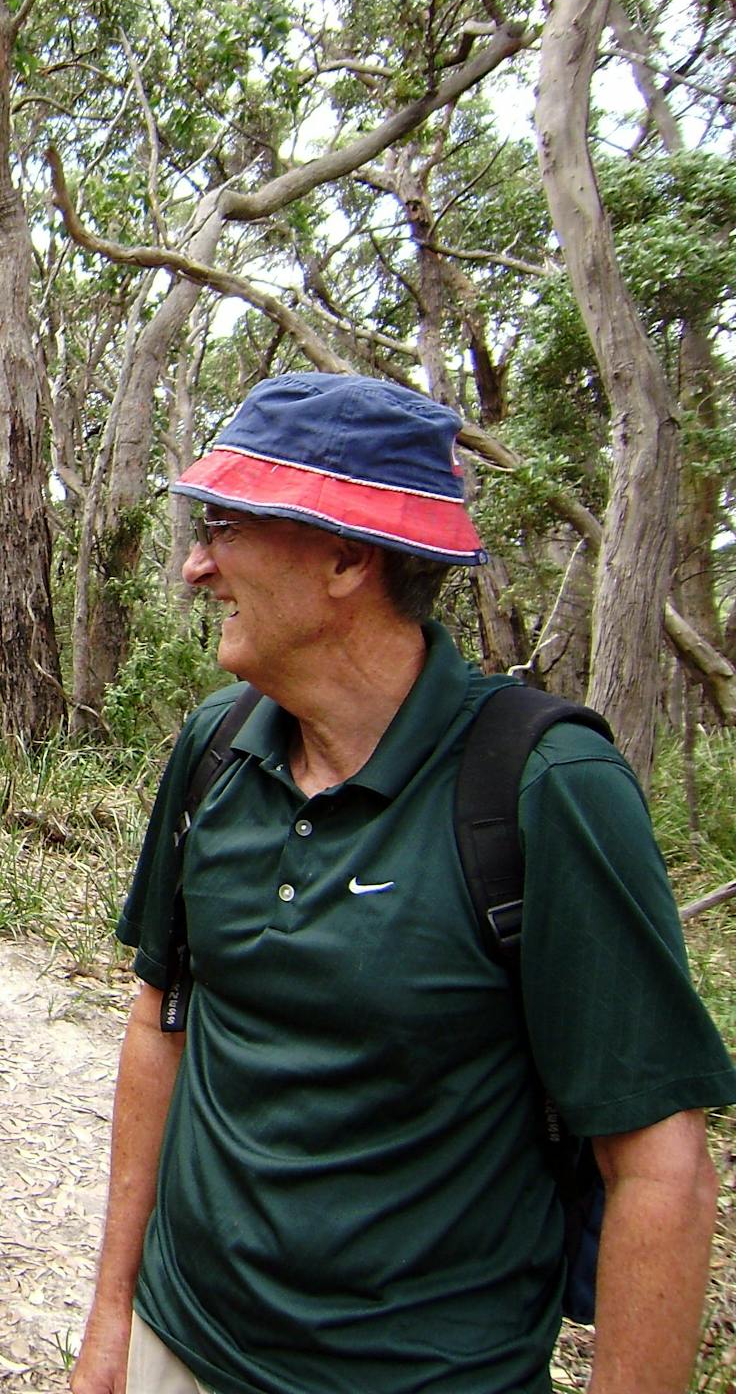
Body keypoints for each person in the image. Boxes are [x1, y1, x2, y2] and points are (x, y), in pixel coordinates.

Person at [70, 372, 736, 1394]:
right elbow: (159, 1018)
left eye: (221, 527)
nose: (197, 567)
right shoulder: (215, 747)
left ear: (346, 557)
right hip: (180, 1343)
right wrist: (112, 1320)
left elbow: (660, 1170)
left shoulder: (543, 787)